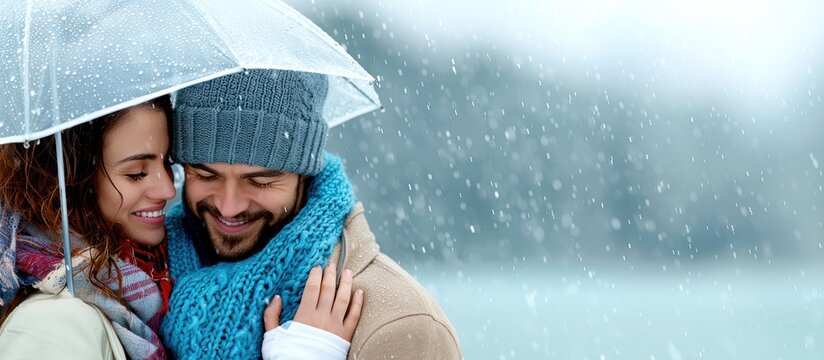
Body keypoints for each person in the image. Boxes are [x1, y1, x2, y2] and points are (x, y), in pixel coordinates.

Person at [0, 96, 362, 359]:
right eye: (136, 173)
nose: (167, 190)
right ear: (73, 182)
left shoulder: (145, 289)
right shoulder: (52, 327)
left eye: (167, 166)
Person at [161, 69, 462, 359]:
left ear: (304, 176)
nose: (229, 206)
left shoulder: (401, 325)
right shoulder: (146, 289)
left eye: (260, 181)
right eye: (204, 175)